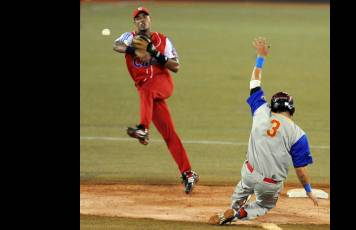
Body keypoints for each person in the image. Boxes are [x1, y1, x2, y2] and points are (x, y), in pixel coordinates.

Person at [208, 37, 319, 225]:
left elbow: (254, 82)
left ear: (272, 106)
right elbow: (300, 170)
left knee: (242, 189)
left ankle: (234, 208)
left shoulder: (261, 111)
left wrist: (261, 57)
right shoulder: (298, 134)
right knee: (264, 205)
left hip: (249, 174)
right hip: (270, 184)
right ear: (291, 109)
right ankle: (241, 213)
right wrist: (308, 190)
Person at [112, 6, 199, 194]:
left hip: (162, 84)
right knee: (169, 134)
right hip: (148, 95)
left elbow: (176, 66)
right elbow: (116, 45)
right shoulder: (129, 37)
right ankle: (188, 173)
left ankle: (143, 129)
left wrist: (156, 53)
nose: (142, 20)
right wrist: (132, 49)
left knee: (146, 90)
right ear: (134, 23)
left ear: (150, 20)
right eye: (138, 18)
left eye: (145, 16)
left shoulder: (163, 40)